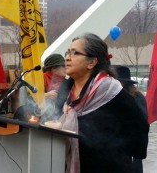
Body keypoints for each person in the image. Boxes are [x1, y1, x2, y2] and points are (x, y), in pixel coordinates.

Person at [54, 33, 149, 173]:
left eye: (75, 53)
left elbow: (139, 131)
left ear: (91, 62)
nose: (67, 57)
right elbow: (55, 116)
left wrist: (108, 146)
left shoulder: (111, 92)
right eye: (67, 52)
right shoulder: (65, 89)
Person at [114, 65, 148, 173]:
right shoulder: (116, 96)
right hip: (120, 149)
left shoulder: (135, 98)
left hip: (129, 149)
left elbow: (142, 125)